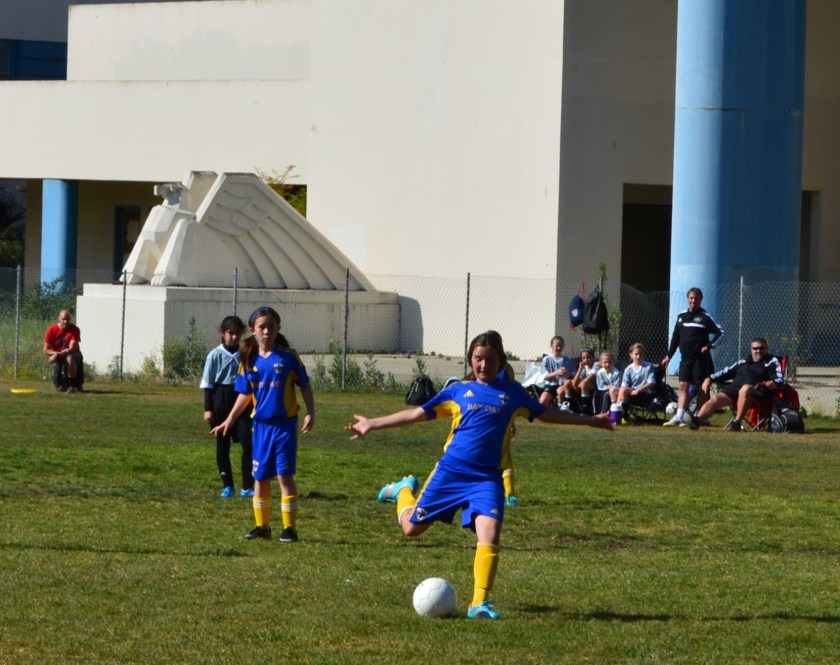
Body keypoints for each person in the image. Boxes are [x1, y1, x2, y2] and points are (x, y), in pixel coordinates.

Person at [346, 331, 612, 620]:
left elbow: (548, 414)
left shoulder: (512, 394)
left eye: (489, 359)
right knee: (411, 529)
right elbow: (416, 414)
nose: (483, 365)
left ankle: (479, 603)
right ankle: (402, 491)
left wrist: (591, 421)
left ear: (500, 362)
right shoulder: (458, 390)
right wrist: (372, 423)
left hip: (487, 479)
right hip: (450, 473)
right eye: (477, 359)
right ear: (471, 359)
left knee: (490, 534)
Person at [211, 307, 315, 543]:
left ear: (279, 328)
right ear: (253, 330)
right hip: (260, 428)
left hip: (284, 427)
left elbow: (305, 386)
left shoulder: (288, 357)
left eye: (272, 327)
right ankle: (262, 526)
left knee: (284, 477)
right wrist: (229, 420)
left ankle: (289, 529)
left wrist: (311, 413)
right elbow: (244, 395)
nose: (267, 331)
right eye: (262, 327)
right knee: (260, 478)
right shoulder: (248, 358)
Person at [201, 315, 255, 499]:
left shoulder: (244, 353)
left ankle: (247, 486)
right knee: (222, 445)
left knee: (248, 442)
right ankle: (227, 485)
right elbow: (208, 383)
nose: (233, 337)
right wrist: (208, 409)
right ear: (222, 334)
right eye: (230, 333)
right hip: (221, 400)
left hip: (241, 401)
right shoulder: (214, 355)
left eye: (237, 333)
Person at [661, 287, 724, 427]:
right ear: (687, 299)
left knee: (701, 388)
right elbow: (675, 338)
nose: (693, 300)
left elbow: (721, 333)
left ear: (701, 300)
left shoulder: (705, 317)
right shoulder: (681, 317)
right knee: (683, 386)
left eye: (696, 298)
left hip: (700, 360)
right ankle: (679, 417)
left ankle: (699, 417)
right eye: (691, 298)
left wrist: (709, 346)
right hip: (685, 359)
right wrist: (669, 356)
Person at [693, 338, 783, 431]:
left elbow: (779, 378)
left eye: (761, 348)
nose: (758, 351)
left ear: (767, 349)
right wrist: (709, 378)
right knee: (716, 398)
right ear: (751, 349)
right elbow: (725, 372)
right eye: (755, 348)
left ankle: (737, 423)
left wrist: (774, 382)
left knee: (745, 388)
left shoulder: (772, 361)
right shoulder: (743, 362)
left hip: (757, 392)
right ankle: (697, 421)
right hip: (735, 389)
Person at [43, 309, 84, 393]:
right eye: (63, 319)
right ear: (59, 319)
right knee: (51, 360)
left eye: (68, 319)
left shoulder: (75, 329)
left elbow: (72, 348)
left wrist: (63, 353)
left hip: (73, 353)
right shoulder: (51, 329)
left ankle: (72, 386)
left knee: (69, 358)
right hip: (59, 354)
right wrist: (55, 354)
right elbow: (45, 350)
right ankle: (60, 381)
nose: (65, 321)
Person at [618, 343, 656, 412]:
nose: (638, 356)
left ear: (643, 355)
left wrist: (638, 390)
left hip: (646, 394)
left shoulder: (648, 366)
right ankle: (619, 412)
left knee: (623, 391)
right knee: (619, 390)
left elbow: (651, 382)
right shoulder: (628, 369)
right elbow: (624, 386)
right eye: (636, 354)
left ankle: (622, 414)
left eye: (640, 354)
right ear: (631, 355)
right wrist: (632, 391)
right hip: (633, 393)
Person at [538, 335, 575, 407]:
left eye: (561, 346)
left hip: (563, 384)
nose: (559, 348)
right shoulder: (547, 359)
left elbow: (573, 374)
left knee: (560, 392)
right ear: (551, 346)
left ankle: (560, 410)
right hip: (550, 385)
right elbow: (545, 376)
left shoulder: (567, 359)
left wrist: (568, 374)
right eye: (557, 346)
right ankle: (547, 414)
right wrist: (557, 372)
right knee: (542, 401)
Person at [558, 347, 598, 413]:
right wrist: (580, 369)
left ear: (593, 358)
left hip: (595, 387)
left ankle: (585, 409)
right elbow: (574, 382)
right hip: (584, 385)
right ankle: (569, 407)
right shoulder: (585, 367)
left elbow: (589, 379)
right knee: (567, 382)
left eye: (588, 357)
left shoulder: (596, 365)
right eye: (583, 358)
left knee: (584, 383)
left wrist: (577, 384)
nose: (586, 360)